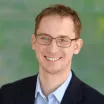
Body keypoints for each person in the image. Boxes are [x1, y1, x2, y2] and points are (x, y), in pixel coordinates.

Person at [0, 4, 104, 104]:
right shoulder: (6, 95)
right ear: (34, 42)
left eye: (63, 40)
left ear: (77, 46)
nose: (52, 49)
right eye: (45, 38)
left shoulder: (97, 101)